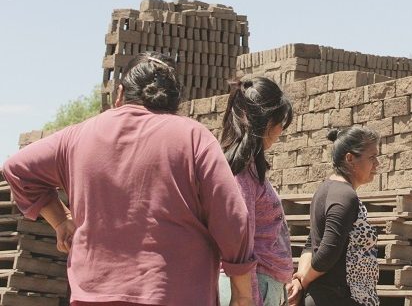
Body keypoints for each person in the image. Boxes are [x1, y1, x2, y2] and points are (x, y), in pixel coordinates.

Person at [3, 52, 256, 306]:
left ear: (120, 93)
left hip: (92, 296)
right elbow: (232, 216)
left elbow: (17, 168)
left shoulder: (78, 137)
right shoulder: (193, 137)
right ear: (173, 99)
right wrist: (242, 295)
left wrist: (61, 221)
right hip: (174, 295)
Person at [218, 77, 294, 306]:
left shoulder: (248, 169)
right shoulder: (241, 173)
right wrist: (248, 298)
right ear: (263, 122)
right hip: (252, 289)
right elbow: (241, 243)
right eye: (278, 121)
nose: (281, 130)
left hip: (259, 287)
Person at [288, 126, 381, 306]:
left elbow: (311, 242)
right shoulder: (345, 196)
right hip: (339, 298)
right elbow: (328, 250)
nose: (377, 164)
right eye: (372, 157)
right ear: (350, 159)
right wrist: (303, 282)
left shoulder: (324, 190)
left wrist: (300, 280)